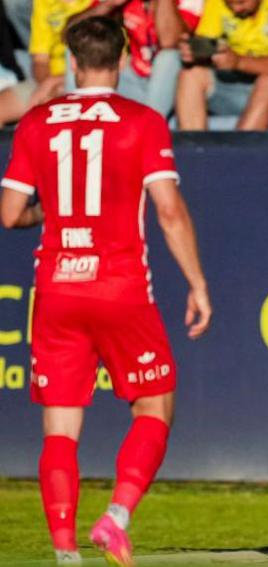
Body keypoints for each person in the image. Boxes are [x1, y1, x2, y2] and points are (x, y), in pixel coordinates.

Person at [0, 16, 212, 566]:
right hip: (118, 286)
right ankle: (116, 517)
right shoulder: (140, 120)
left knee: (61, 427)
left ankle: (65, 555)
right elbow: (168, 210)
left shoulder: (36, 121)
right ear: (121, 61)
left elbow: (9, 214)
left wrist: (54, 212)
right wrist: (196, 283)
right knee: (154, 403)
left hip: (55, 288)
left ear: (72, 61)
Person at [175, 0, 268, 130]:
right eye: (229, 4)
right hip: (236, 86)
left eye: (241, 2)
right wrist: (194, 51)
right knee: (190, 75)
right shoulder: (217, 2)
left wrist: (239, 62)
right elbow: (207, 43)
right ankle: (196, 148)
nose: (236, 9)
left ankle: (238, 153)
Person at [67, 0, 203, 117]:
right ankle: (79, 123)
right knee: (80, 47)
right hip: (134, 78)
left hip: (172, 87)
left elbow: (169, 41)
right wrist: (109, 4)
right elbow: (69, 32)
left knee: (168, 57)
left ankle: (149, 129)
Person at [27, 0, 94, 105]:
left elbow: (103, 66)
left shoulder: (100, 4)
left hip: (91, 82)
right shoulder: (42, 2)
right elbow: (39, 60)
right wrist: (49, 88)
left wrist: (55, 82)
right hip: (51, 81)